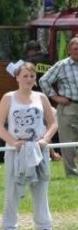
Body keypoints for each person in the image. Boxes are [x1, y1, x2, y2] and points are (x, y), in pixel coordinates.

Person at [0, 62, 57, 230]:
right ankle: (9, 228)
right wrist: (13, 142)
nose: (29, 79)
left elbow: (53, 122)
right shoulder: (9, 97)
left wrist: (44, 140)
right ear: (17, 77)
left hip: (38, 149)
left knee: (40, 187)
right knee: (13, 188)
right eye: (25, 76)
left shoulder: (41, 97)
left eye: (32, 76)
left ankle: (44, 226)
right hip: (16, 150)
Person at [38, 36, 78, 178]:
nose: (77, 51)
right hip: (69, 106)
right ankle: (72, 173)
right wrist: (56, 97)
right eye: (75, 49)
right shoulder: (62, 65)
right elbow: (43, 81)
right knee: (68, 142)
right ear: (69, 50)